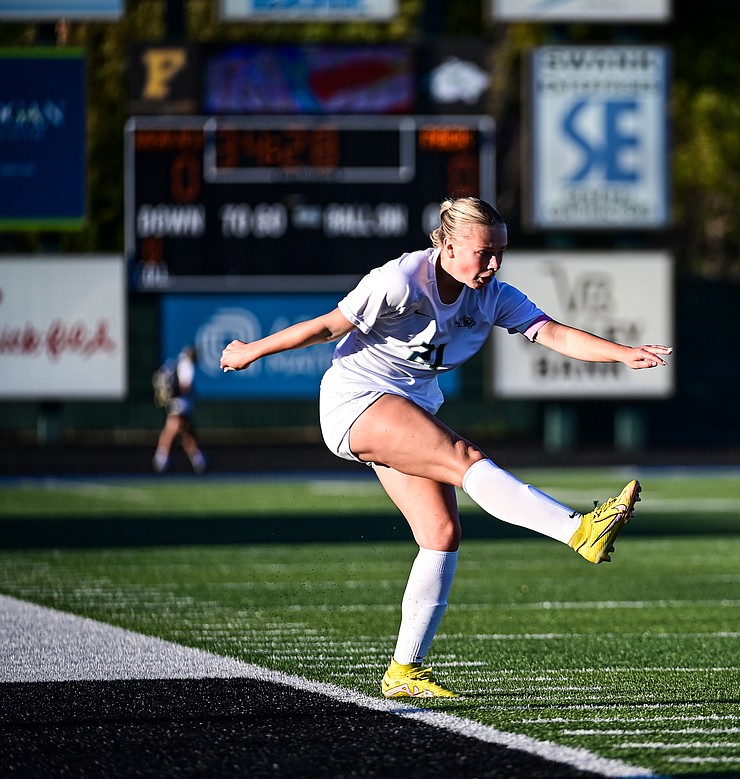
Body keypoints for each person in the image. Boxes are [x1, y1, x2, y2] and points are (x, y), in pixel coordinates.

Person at [219, 196, 673, 699]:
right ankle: (578, 531)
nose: (494, 264)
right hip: (357, 400)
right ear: (448, 246)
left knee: (440, 532)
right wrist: (251, 350)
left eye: (500, 252)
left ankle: (403, 672)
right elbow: (329, 326)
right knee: (466, 460)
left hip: (410, 405)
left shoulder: (493, 293)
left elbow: (554, 334)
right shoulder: (400, 279)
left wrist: (622, 354)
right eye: (485, 253)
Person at [153, 345, 207, 474]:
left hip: (174, 402)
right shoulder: (187, 365)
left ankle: (196, 458)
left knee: (185, 430)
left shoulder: (175, 363)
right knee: (173, 427)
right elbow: (185, 386)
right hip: (181, 402)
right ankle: (162, 457)